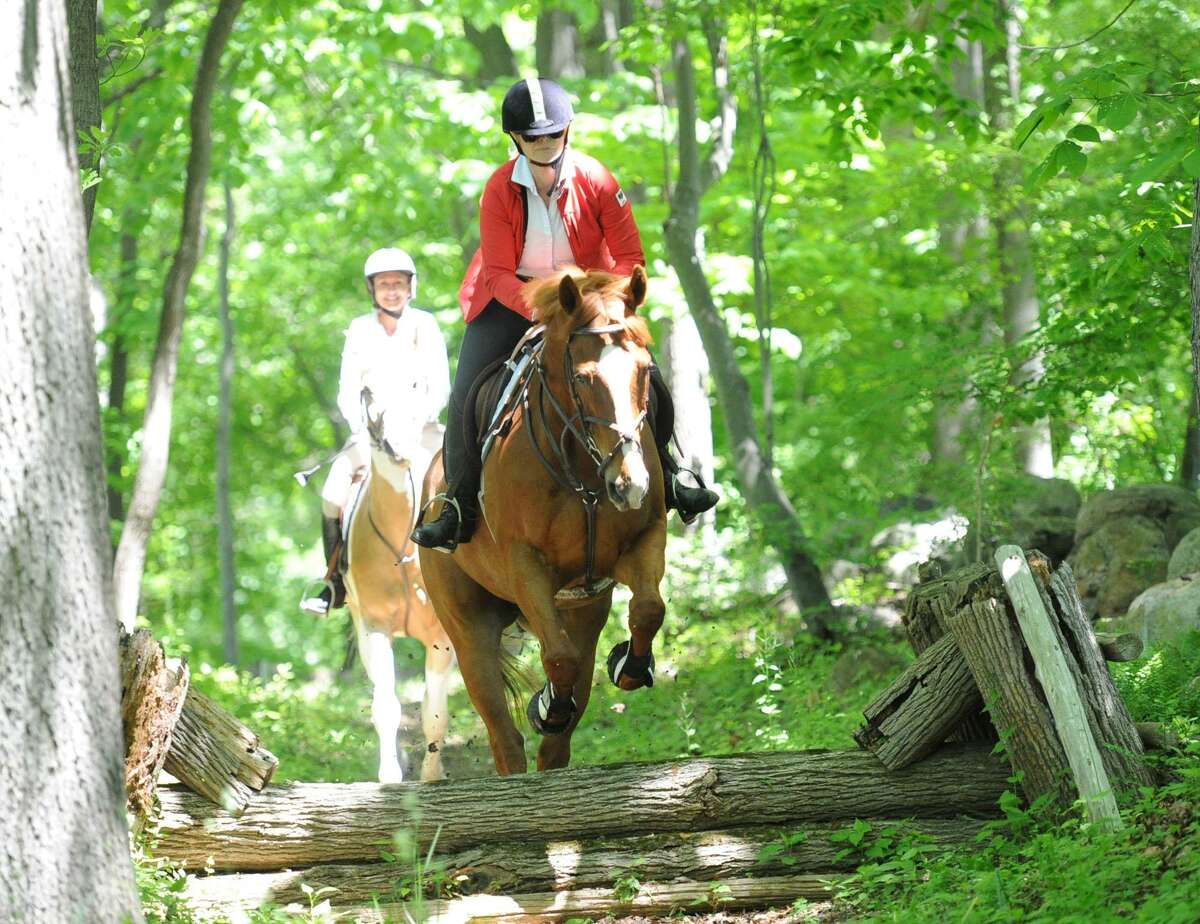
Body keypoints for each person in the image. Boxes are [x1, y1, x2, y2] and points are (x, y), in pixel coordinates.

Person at [411, 77, 717, 552]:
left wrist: (605, 305)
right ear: (515, 138)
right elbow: (496, 272)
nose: (545, 144)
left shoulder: (598, 180)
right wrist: (544, 307)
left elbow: (627, 255)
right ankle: (457, 504)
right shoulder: (498, 188)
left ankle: (673, 478)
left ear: (567, 132)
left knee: (643, 375)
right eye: (533, 138)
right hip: (513, 299)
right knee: (467, 391)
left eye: (553, 134)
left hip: (590, 301)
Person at [300, 247, 450, 615]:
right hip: (372, 436)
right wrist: (366, 430)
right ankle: (333, 581)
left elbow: (440, 385)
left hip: (422, 430)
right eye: (384, 284)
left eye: (398, 284)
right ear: (372, 289)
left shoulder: (425, 325)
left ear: (411, 287)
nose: (392, 291)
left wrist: (416, 421)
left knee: (467, 474)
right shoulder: (360, 330)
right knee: (333, 492)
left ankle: (478, 570)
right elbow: (347, 390)